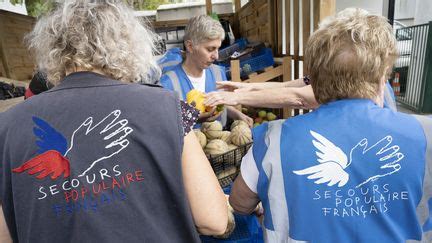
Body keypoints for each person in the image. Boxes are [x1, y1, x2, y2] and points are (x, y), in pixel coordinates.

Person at [0, 1, 227, 242]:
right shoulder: (166, 105)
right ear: (127, 44)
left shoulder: (7, 126)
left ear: (53, 48)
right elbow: (213, 219)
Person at [229, 8, 432, 242]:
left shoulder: (272, 139)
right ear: (380, 79)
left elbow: (239, 203)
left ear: (313, 80)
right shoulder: (425, 134)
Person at [160, 15, 253, 127]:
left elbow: (221, 105)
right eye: (210, 49)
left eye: (218, 48)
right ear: (190, 46)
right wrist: (193, 119)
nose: (216, 56)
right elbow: (164, 125)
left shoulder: (218, 73)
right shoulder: (167, 83)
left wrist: (236, 114)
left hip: (220, 143)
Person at [204, 73, 396, 111]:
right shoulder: (328, 72)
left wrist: (237, 97)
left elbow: (300, 98)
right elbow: (289, 86)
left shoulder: (349, 78)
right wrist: (246, 86)